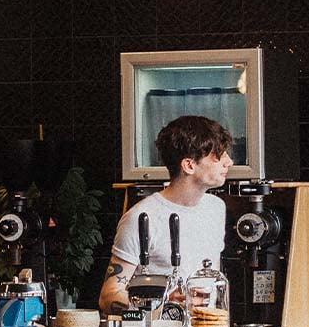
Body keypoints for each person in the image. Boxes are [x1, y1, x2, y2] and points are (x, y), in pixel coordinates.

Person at [99, 115, 232, 315]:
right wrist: (164, 304)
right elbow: (108, 297)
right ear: (189, 165)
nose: (229, 162)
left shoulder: (216, 208)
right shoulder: (141, 218)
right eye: (219, 156)